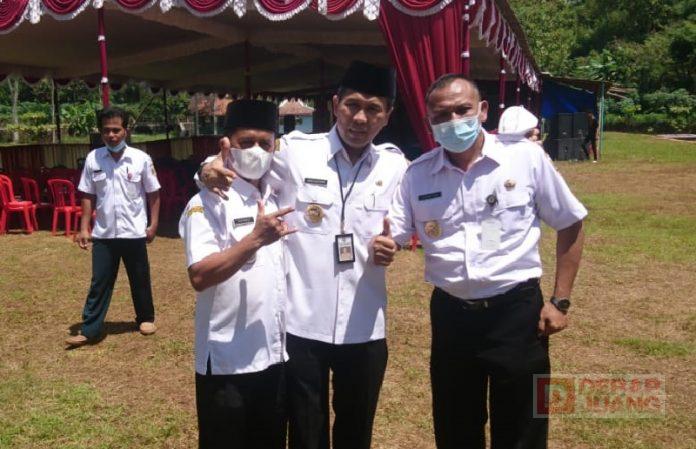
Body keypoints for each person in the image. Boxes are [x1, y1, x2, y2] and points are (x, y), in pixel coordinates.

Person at [199, 61, 408, 449]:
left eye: (374, 109)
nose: (361, 118)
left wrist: (393, 244)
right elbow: (243, 160)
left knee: (357, 428)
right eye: (353, 105)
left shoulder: (396, 166)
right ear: (335, 105)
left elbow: (405, 221)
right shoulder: (296, 151)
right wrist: (205, 169)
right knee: (306, 432)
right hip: (302, 325)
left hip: (365, 323)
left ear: (388, 115)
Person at [383, 74, 587, 449]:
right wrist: (381, 243)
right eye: (441, 115)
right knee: (455, 426)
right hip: (452, 316)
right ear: (428, 121)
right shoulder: (418, 175)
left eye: (462, 110)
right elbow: (391, 233)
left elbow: (570, 222)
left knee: (523, 429)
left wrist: (559, 302)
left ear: (483, 110)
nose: (453, 121)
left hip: (517, 314)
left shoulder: (524, 158)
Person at [180, 100, 293, 449]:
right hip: (228, 359)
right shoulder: (208, 201)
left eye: (265, 143)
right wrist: (254, 240)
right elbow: (200, 275)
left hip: (273, 354)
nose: (256, 150)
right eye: (247, 142)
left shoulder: (277, 192)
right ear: (227, 144)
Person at [66, 106, 161, 347]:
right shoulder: (93, 158)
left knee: (139, 277)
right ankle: (90, 329)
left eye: (116, 130)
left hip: (134, 231)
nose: (111, 135)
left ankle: (145, 318)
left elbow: (153, 193)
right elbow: (87, 195)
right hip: (104, 233)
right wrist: (84, 228)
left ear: (126, 130)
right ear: (100, 132)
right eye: (106, 130)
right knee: (100, 282)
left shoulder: (140, 159)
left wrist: (153, 224)